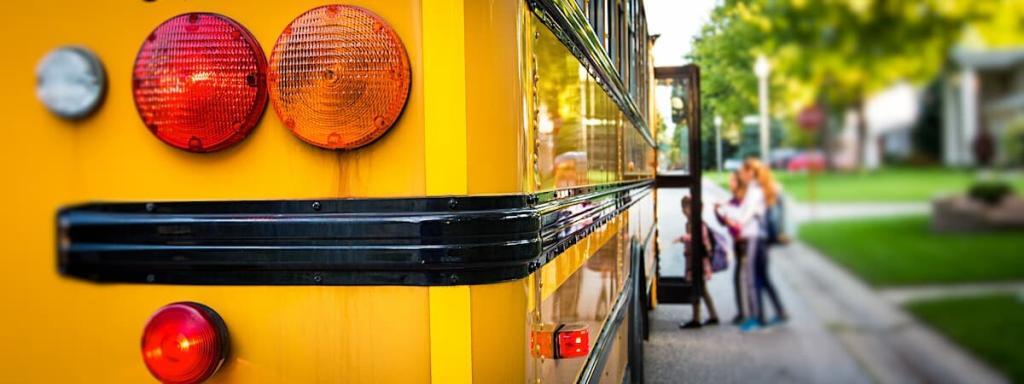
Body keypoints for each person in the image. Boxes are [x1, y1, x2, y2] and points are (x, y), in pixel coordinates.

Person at [744, 158, 789, 326]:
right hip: (768, 238)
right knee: (763, 276)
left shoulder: (759, 191)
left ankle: (760, 317)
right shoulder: (772, 190)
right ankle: (781, 311)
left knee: (755, 278)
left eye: (749, 172)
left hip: (759, 237)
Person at [714, 171, 761, 331]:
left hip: (746, 242)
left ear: (739, 182)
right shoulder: (733, 199)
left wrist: (727, 218)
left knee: (746, 279)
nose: (729, 183)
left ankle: (751, 315)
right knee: (739, 279)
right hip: (739, 243)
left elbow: (737, 224)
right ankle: (743, 313)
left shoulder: (742, 200)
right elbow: (724, 222)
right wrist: (717, 211)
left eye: (732, 181)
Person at [677, 195, 719, 329]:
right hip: (694, 261)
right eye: (683, 207)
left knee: (697, 289)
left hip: (698, 263)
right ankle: (713, 316)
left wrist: (683, 238)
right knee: (703, 290)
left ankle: (696, 318)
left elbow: (697, 239)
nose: (684, 210)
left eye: (687, 207)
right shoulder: (690, 223)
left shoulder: (697, 224)